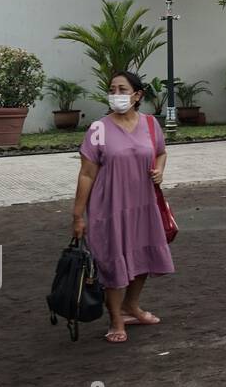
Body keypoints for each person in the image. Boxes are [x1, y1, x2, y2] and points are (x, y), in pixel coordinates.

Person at [71, 71, 174, 344]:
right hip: (110, 207)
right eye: (112, 89)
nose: (116, 94)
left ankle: (132, 306)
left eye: (122, 89)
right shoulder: (98, 129)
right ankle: (116, 318)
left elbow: (161, 152)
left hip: (144, 204)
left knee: (143, 256)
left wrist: (160, 171)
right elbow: (86, 174)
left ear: (137, 95)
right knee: (113, 261)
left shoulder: (151, 125)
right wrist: (77, 214)